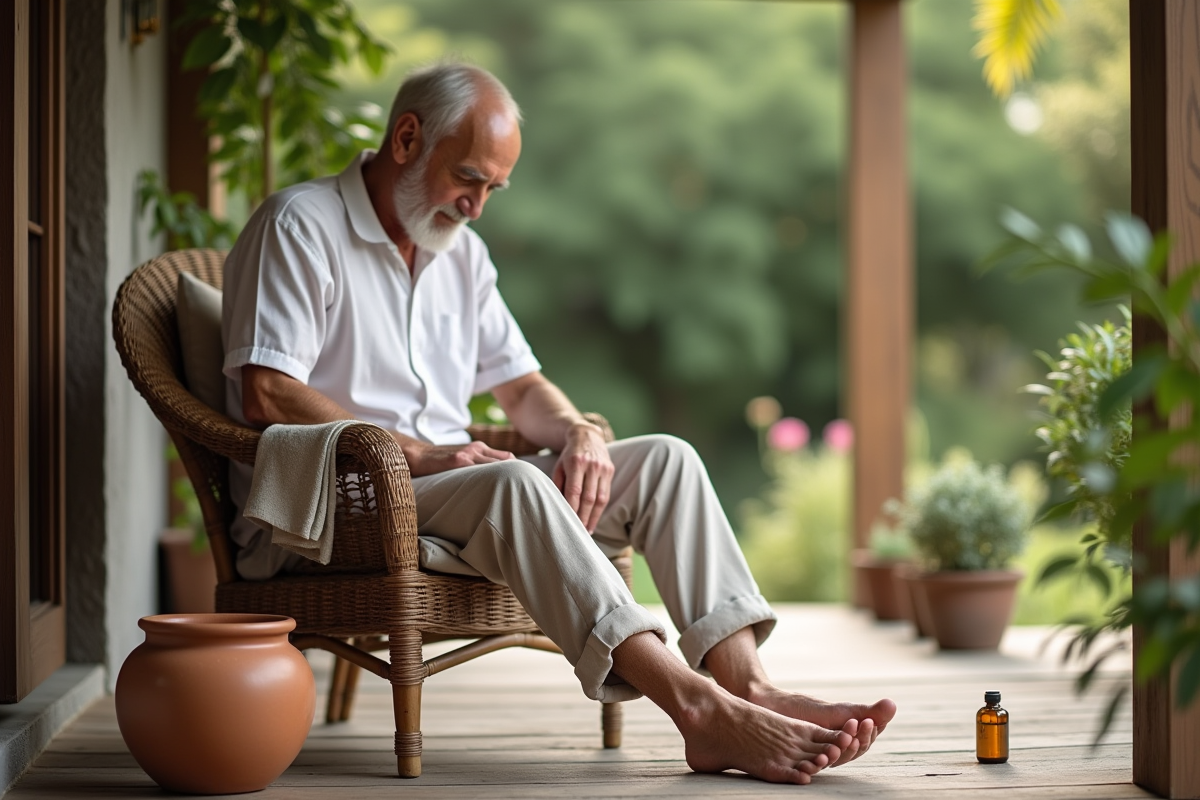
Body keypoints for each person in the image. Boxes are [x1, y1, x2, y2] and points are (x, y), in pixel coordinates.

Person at [221, 61, 896, 785]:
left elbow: (519, 386)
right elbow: (267, 391)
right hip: (338, 503)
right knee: (509, 480)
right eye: (469, 179)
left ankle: (748, 687)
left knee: (665, 460)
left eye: (492, 190)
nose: (477, 206)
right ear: (407, 138)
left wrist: (577, 430)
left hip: (454, 491)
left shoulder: (462, 256)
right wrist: (416, 454)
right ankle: (695, 711)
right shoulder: (299, 225)